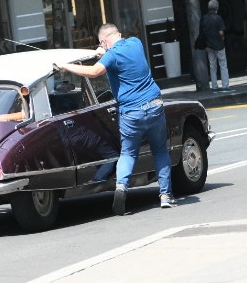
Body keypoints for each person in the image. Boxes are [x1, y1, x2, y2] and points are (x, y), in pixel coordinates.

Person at [56, 23, 174, 213]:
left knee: (128, 153)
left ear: (104, 42)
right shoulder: (136, 43)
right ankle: (166, 196)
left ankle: (121, 188)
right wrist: (105, 53)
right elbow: (122, 57)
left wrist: (65, 66)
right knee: (160, 151)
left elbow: (94, 72)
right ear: (118, 34)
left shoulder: (111, 55)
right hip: (154, 105)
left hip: (130, 112)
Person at [201, 0, 230, 92]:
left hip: (208, 45)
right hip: (219, 45)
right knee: (223, 65)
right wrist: (223, 38)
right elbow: (221, 32)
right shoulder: (218, 18)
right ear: (217, 8)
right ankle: (225, 86)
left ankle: (214, 87)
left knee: (212, 66)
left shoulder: (204, 18)